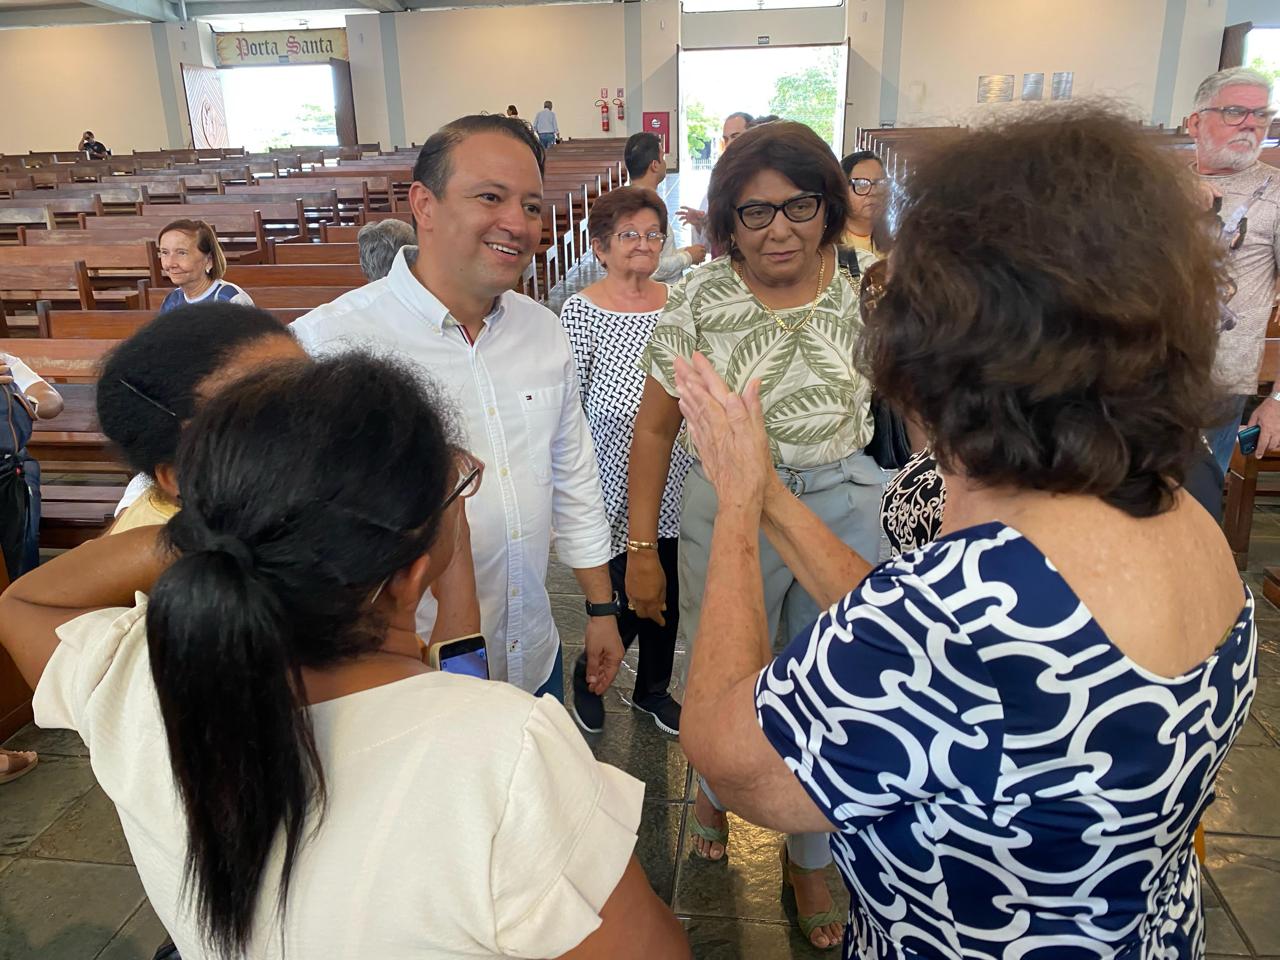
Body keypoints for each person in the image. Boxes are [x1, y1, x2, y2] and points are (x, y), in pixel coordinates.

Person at [675, 107, 1253, 960]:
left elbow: (731, 757)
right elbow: (924, 648)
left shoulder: (961, 613)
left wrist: (735, 503)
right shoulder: (1176, 511)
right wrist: (769, 492)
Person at [0, 353, 691, 960]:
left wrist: (223, 533)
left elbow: (23, 604)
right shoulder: (508, 752)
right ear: (413, 571)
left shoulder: (145, 678)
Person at [628, 120, 883, 950]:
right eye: (754, 212)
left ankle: (810, 857)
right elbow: (656, 430)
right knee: (726, 662)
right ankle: (712, 787)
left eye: (799, 206)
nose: (779, 229)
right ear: (728, 222)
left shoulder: (868, 284)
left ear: (829, 207)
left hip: (845, 500)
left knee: (834, 679)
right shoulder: (699, 296)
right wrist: (642, 550)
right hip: (726, 506)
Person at [292, 115, 624, 702]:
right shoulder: (328, 346)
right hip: (404, 678)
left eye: (530, 206)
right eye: (490, 198)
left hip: (532, 654)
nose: (516, 223)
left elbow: (574, 478)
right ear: (425, 203)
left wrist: (600, 609)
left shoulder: (543, 330)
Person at [560, 186, 692, 737]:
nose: (644, 244)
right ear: (601, 247)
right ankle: (590, 676)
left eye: (653, 234)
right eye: (629, 234)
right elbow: (569, 405)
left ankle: (652, 689)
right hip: (609, 479)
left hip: (676, 474)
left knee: (668, 589)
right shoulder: (581, 311)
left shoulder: (680, 302)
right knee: (615, 595)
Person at [1188, 67, 1280, 472]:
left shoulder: (1276, 192)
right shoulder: (1159, 185)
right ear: (1195, 123)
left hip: (1217, 386)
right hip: (1136, 374)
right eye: (1234, 112)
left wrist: (1278, 400)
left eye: (1261, 115)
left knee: (1194, 497)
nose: (1250, 124)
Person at [1, 352, 63, 582]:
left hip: (9, 471)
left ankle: (18, 588)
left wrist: (20, 403)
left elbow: (52, 401)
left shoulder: (4, 363)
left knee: (18, 559)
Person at [623, 132, 705, 282]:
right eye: (663, 157)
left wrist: (683, 251)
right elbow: (649, 266)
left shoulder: (635, 200)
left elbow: (661, 254)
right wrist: (688, 257)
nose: (665, 163)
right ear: (655, 165)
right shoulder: (643, 208)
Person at [677, 111, 752, 245]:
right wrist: (701, 223)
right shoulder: (719, 178)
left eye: (735, 137)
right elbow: (709, 242)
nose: (729, 144)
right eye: (726, 139)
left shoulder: (765, 176)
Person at [156, 220, 253, 313]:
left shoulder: (231, 300)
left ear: (209, 260)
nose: (170, 264)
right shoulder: (172, 301)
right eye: (165, 252)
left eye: (182, 253)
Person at [838, 150, 893, 273]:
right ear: (841, 189)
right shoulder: (827, 243)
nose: (873, 192)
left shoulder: (897, 243)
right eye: (861, 184)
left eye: (879, 183)